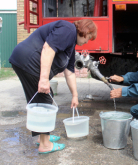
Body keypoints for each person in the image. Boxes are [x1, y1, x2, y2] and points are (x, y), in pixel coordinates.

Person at [9, 19, 97, 153]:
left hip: (23, 60)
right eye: (89, 38)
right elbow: (48, 48)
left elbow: (70, 73)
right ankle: (45, 145)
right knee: (45, 99)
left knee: (40, 100)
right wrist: (44, 79)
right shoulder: (68, 30)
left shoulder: (70, 46)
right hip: (28, 60)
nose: (87, 42)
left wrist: (75, 95)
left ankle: (42, 138)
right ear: (85, 31)